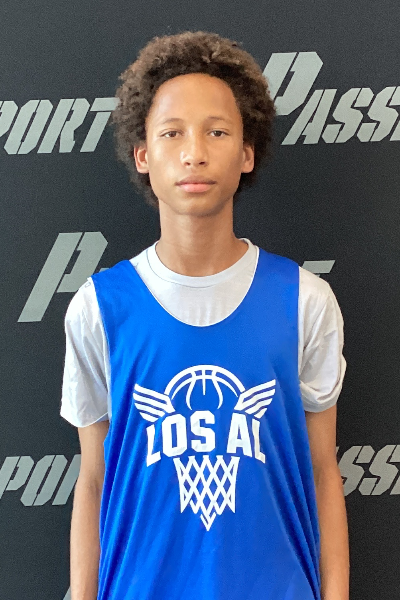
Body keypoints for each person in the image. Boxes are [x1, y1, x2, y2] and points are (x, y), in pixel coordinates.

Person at [60, 30, 349, 600]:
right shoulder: (100, 308)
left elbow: (322, 472)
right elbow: (92, 480)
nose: (194, 152)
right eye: (172, 133)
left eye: (217, 131)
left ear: (247, 152)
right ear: (144, 155)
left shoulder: (305, 299)